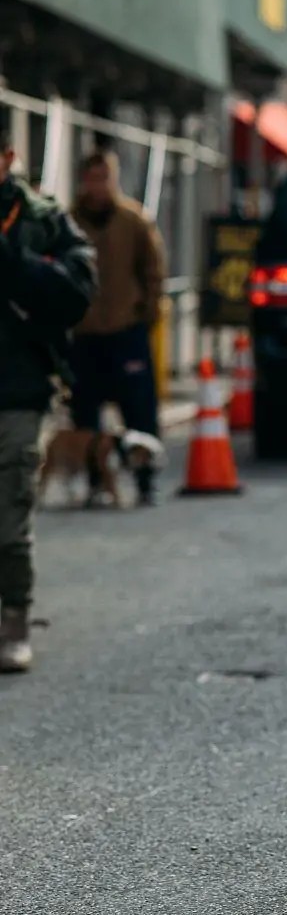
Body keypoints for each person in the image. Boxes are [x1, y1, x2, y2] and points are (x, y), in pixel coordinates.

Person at [0, 131, 97, 672]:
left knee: (9, 515)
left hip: (16, 388)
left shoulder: (39, 219)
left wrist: (18, 263)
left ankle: (13, 618)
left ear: (8, 159)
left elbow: (79, 290)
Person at [70, 151, 165, 506]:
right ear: (83, 180)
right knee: (85, 412)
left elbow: (153, 271)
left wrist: (147, 313)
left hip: (126, 329)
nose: (98, 186)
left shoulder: (134, 221)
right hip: (85, 332)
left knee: (139, 409)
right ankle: (96, 480)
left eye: (104, 177)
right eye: (92, 178)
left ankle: (144, 477)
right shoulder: (69, 221)